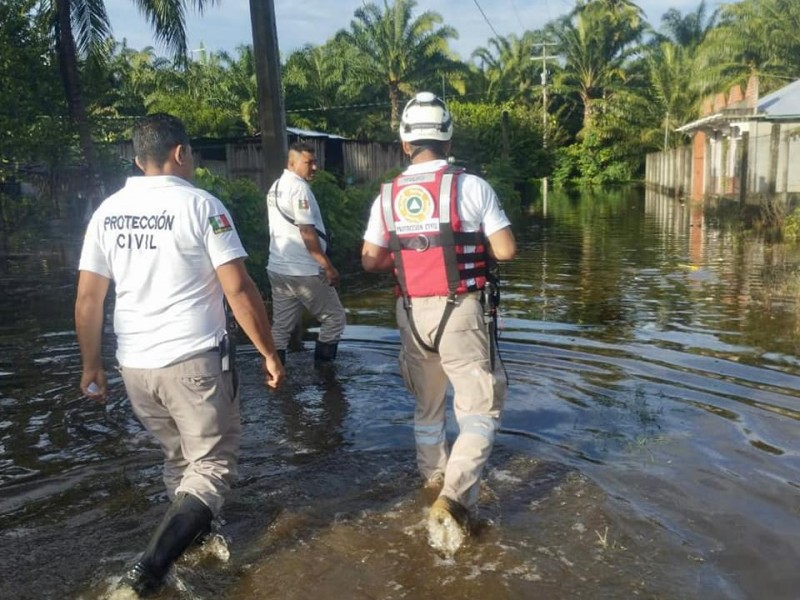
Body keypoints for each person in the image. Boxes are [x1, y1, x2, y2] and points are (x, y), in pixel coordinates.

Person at [74, 113, 284, 596]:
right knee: (212, 465)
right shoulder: (202, 205)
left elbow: (88, 297)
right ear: (181, 153)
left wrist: (91, 364)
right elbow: (238, 287)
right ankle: (148, 571)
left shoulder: (108, 211)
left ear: (136, 158)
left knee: (180, 460)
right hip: (193, 363)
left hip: (135, 366)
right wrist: (269, 352)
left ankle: (196, 537)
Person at [361, 92, 516, 554]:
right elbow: (505, 250)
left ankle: (431, 481)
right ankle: (452, 496)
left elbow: (370, 259)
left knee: (428, 409)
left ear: (405, 143)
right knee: (479, 409)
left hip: (410, 313)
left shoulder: (388, 194)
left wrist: (412, 249)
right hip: (461, 310)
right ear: (448, 138)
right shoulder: (472, 187)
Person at [265, 141, 346, 365]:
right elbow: (306, 230)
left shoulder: (276, 186)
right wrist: (327, 265)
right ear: (292, 163)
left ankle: (274, 374)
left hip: (278, 268)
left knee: (281, 327)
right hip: (304, 269)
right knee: (335, 318)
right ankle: (326, 376)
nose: (315, 167)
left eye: (315, 161)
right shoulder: (299, 188)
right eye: (308, 162)